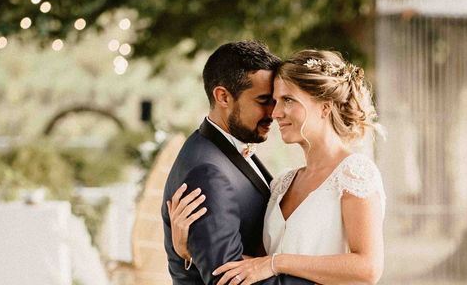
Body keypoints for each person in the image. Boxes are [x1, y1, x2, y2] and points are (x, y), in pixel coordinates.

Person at [167, 49, 386, 285]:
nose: (276, 112)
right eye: (272, 101)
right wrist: (192, 250)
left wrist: (277, 262)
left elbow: (368, 268)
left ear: (325, 106)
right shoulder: (283, 183)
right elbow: (246, 268)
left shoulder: (354, 173)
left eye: (287, 100)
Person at [162, 41, 313, 285]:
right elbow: (229, 278)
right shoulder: (207, 173)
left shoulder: (227, 148)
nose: (274, 112)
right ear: (223, 96)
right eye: (264, 100)